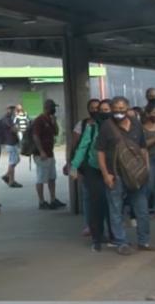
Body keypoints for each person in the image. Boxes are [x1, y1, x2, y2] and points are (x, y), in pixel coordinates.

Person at [95, 96, 155, 255]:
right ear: (112, 109)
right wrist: (105, 174)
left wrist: (146, 168)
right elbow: (100, 152)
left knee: (142, 209)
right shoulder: (107, 127)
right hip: (115, 175)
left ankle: (143, 241)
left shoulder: (136, 124)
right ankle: (121, 242)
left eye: (122, 108)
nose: (119, 112)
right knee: (116, 209)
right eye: (116, 109)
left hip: (137, 175)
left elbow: (143, 148)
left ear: (128, 107)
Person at [70, 99, 114, 252]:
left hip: (113, 169)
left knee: (113, 203)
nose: (101, 112)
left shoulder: (117, 126)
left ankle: (115, 235)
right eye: (98, 109)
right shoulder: (91, 127)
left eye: (105, 109)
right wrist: (74, 166)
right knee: (97, 203)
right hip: (93, 168)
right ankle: (97, 237)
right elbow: (82, 147)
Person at [68, 98, 100, 236]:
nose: (95, 110)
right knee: (88, 196)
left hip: (105, 167)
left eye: (97, 107)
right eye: (92, 107)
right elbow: (77, 146)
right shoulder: (84, 125)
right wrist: (72, 164)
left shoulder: (108, 125)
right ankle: (89, 225)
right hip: (88, 167)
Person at [32, 99, 66, 210]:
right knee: (41, 178)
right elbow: (36, 136)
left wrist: (54, 121)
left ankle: (53, 199)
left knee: (52, 177)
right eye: (53, 107)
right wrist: (41, 151)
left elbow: (55, 132)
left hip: (50, 153)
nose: (54, 109)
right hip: (41, 154)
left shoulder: (50, 119)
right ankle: (41, 201)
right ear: (47, 107)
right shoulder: (39, 120)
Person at [0, 105, 22, 188]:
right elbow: (14, 129)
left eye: (13, 109)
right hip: (10, 143)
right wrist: (18, 128)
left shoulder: (9, 118)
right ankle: (11, 181)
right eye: (10, 109)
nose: (12, 110)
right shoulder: (7, 119)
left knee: (16, 160)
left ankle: (7, 175)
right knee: (13, 162)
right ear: (7, 110)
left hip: (11, 143)